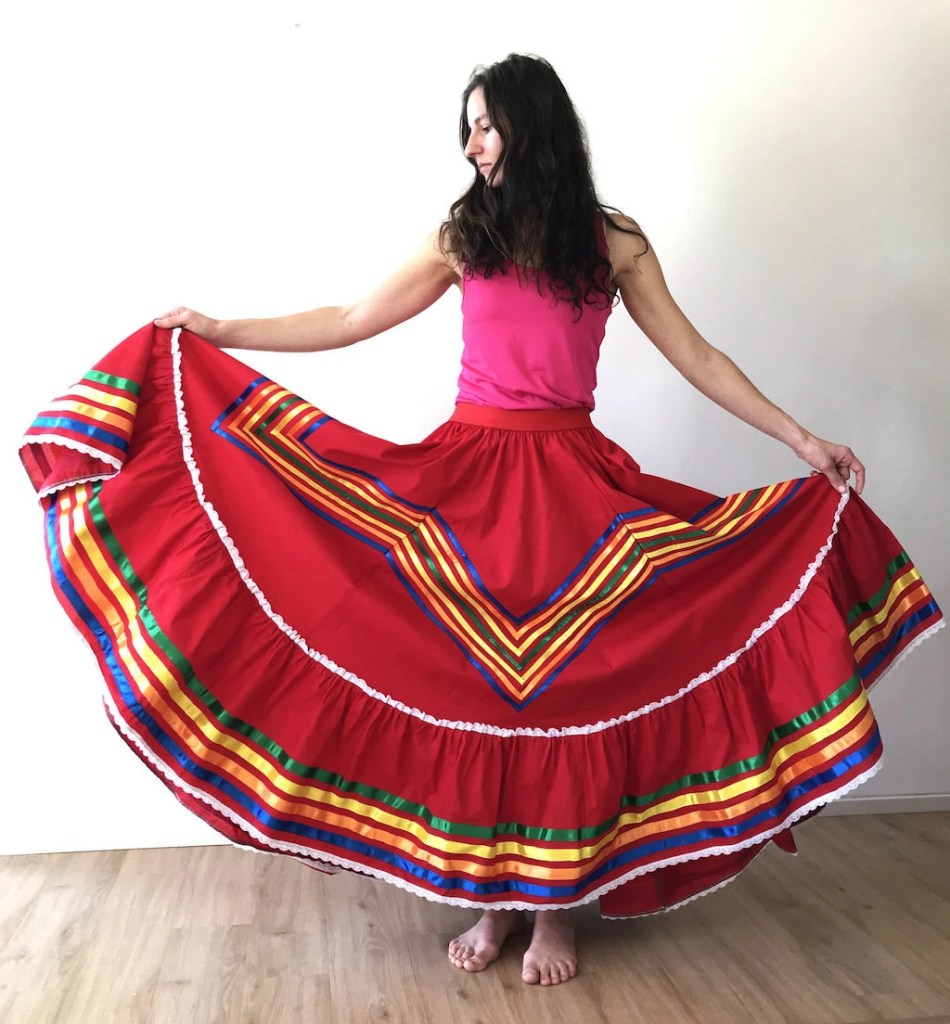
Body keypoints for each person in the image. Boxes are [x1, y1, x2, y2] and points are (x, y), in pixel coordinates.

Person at [21, 54, 943, 988]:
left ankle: (554, 908)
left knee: (562, 691)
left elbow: (697, 355)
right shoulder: (465, 234)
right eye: (467, 127)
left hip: (573, 483)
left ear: (532, 126)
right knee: (474, 688)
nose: (472, 144)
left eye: (487, 126)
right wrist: (224, 331)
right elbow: (350, 317)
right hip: (467, 480)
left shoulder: (612, 241)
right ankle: (491, 899)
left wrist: (800, 438)